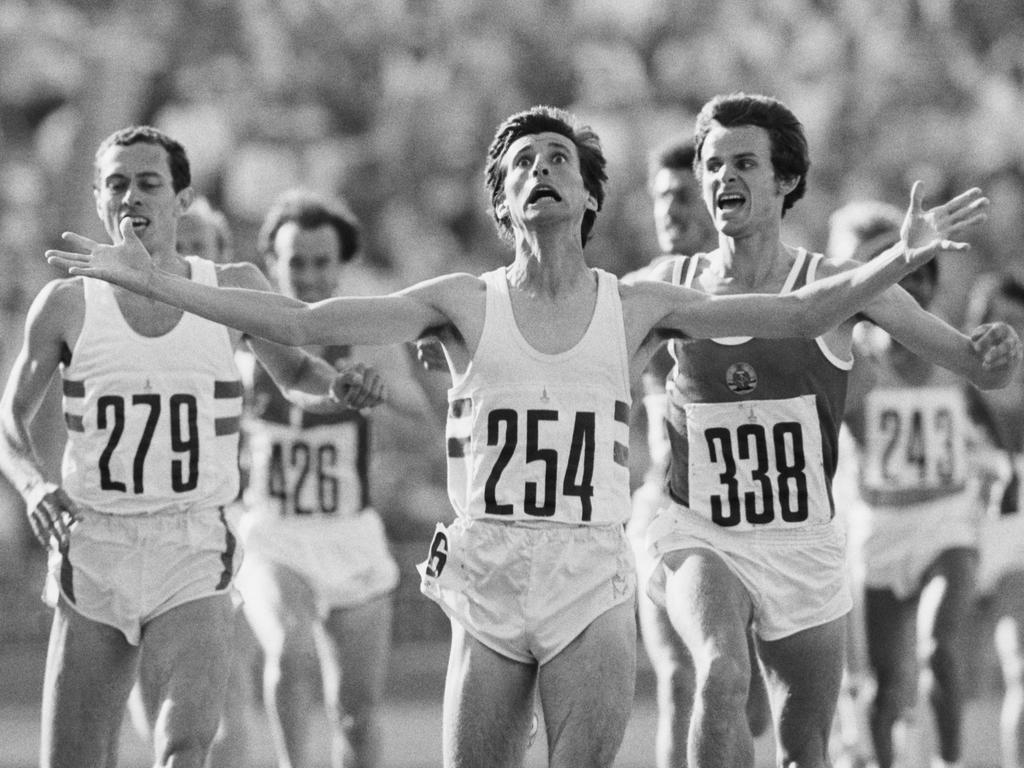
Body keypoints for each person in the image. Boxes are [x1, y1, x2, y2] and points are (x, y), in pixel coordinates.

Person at [45, 104, 994, 768]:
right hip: (491, 572)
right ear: (503, 205)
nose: (540, 174)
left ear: (587, 198)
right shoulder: (459, 302)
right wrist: (152, 282)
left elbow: (797, 315)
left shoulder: (640, 304)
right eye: (521, 166)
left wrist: (900, 260)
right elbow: (295, 324)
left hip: (589, 570)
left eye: (558, 163)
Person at [638, 92, 1017, 768]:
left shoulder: (840, 284)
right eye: (713, 164)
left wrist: (993, 352)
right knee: (720, 676)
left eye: (745, 163)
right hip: (701, 531)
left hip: (802, 543)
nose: (724, 178)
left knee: (803, 746)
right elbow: (579, 335)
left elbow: (970, 365)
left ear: (786, 181)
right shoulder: (668, 286)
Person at [0, 125, 380, 768]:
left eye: (149, 182)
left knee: (185, 746)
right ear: (98, 199)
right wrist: (35, 485)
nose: (131, 197)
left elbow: (297, 376)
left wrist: (340, 389)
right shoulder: (65, 303)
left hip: (194, 547)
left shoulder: (229, 286)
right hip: (96, 547)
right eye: (116, 183)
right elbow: (10, 423)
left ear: (182, 200)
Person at [235, 188, 434, 768]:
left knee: (356, 709)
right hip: (273, 530)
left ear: (340, 267)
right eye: (295, 261)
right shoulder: (245, 339)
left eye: (321, 262)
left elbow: (422, 423)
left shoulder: (365, 339)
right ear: (272, 264)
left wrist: (378, 395)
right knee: (289, 650)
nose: (308, 276)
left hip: (349, 531)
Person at [624, 135, 769, 768]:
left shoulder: (744, 286)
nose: (670, 212)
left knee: (747, 704)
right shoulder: (636, 292)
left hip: (753, 511)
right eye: (660, 198)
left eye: (682, 196)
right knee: (680, 681)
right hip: (665, 506)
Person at [838, 199, 983, 768]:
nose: (914, 289)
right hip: (880, 532)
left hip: (949, 524)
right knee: (883, 688)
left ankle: (950, 762)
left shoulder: (957, 353)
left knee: (940, 650)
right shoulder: (853, 365)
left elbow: (1000, 413)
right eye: (903, 276)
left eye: (924, 277)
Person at [964, 273, 1024, 768]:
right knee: (948, 673)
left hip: (1016, 538)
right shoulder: (954, 386)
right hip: (959, 538)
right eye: (993, 320)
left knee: (1019, 671)